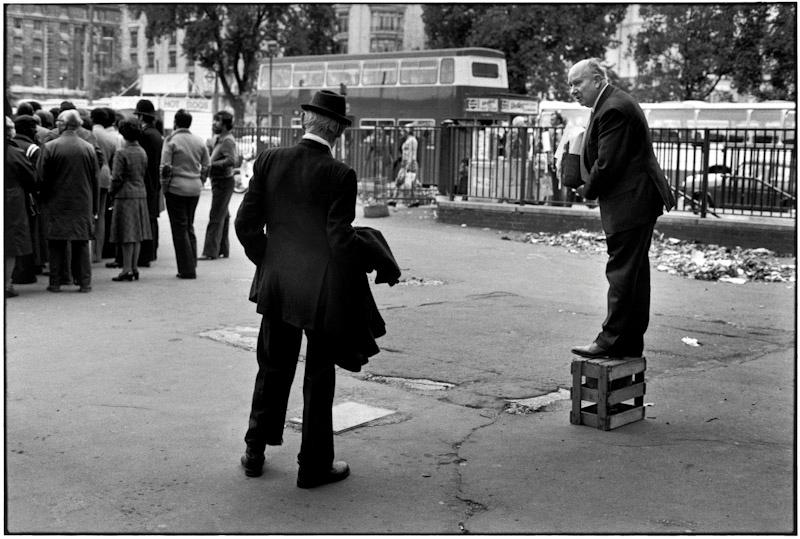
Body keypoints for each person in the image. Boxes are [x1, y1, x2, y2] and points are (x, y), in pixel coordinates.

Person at [234, 90, 400, 487]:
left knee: (272, 367)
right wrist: (370, 255)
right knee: (319, 376)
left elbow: (245, 224)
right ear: (339, 130)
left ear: (305, 120)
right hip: (321, 291)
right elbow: (339, 240)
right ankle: (313, 466)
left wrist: (270, 262)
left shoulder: (271, 160)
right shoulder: (340, 175)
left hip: (278, 286)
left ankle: (255, 450)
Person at [567, 58, 675, 359]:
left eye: (578, 83)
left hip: (631, 201)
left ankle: (610, 338)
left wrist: (586, 190)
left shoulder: (613, 108)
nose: (573, 90)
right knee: (635, 274)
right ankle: (629, 341)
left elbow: (608, 163)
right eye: (570, 85)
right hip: (636, 199)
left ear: (598, 80)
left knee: (622, 272)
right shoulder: (611, 103)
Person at [37, 109, 98, 293]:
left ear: (64, 125)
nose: (56, 124)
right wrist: (94, 205)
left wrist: (43, 198)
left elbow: (41, 177)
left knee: (56, 243)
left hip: (57, 201)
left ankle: (55, 282)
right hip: (82, 201)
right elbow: (94, 178)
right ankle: (84, 283)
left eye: (58, 122)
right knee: (81, 242)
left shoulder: (50, 147)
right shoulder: (88, 148)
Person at [160, 109, 210, 279]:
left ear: (175, 122)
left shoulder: (171, 141)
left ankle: (187, 269)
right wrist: (201, 181)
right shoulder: (199, 141)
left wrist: (165, 187)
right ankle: (192, 261)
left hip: (176, 188)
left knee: (179, 229)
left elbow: (165, 167)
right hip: (194, 188)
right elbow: (206, 165)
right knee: (189, 225)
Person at [108, 118, 152, 282]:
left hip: (125, 195)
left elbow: (117, 177)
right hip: (140, 193)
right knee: (137, 235)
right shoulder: (142, 151)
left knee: (127, 236)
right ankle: (134, 267)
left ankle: (126, 269)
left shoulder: (121, 153)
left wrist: (112, 192)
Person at [5, 117, 37, 298]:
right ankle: (6, 284)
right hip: (12, 202)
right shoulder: (14, 153)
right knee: (10, 245)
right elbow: (31, 179)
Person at [10, 115, 43, 285]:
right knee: (25, 236)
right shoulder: (31, 149)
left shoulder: (15, 147)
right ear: (29, 130)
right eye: (35, 129)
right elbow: (34, 178)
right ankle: (25, 273)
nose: (37, 132)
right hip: (23, 199)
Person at [202, 110, 238, 260]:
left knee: (216, 216)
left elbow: (232, 160)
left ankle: (210, 252)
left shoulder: (227, 141)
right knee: (223, 215)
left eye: (217, 121)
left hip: (223, 181)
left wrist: (212, 165)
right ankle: (222, 249)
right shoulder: (220, 139)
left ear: (224, 125)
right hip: (220, 181)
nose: (214, 124)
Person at [133, 99, 164, 268]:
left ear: (140, 117)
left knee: (147, 218)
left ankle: (146, 254)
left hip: (147, 181)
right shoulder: (156, 134)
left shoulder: (146, 135)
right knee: (152, 218)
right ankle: (151, 251)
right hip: (155, 181)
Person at [90, 107, 121, 264]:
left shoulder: (89, 134)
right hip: (105, 175)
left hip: (90, 176)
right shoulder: (111, 138)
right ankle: (97, 253)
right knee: (101, 215)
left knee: (88, 214)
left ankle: (87, 252)